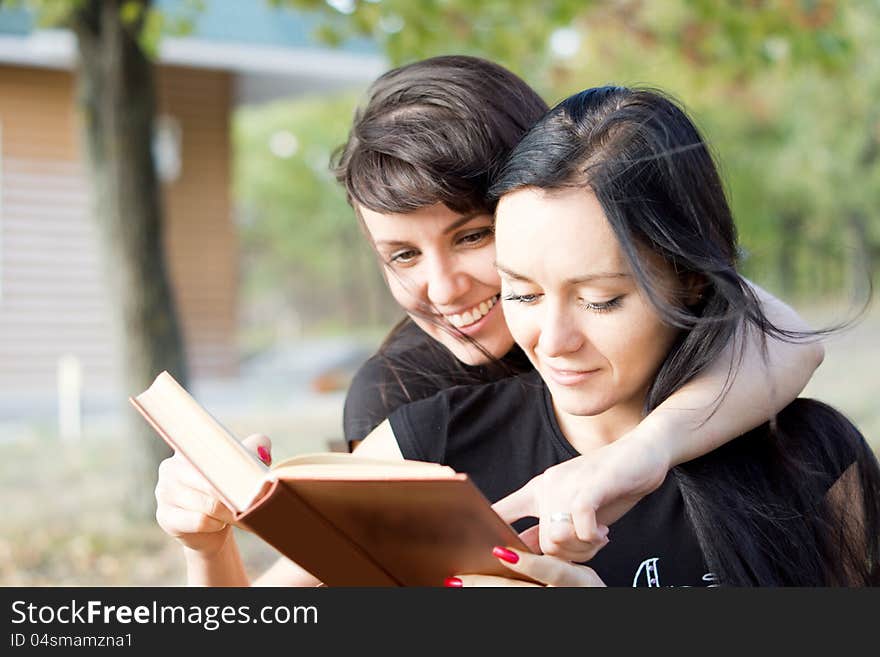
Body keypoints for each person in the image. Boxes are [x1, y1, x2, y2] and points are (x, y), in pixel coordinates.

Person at [153, 61, 827, 585]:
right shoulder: (407, 404)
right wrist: (205, 543)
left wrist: (636, 454)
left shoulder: (785, 435)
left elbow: (779, 335)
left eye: (472, 236)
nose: (444, 289)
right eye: (403, 255)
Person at [434, 85, 880, 586]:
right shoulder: (433, 447)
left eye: (599, 299)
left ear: (691, 280)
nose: (554, 341)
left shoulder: (809, 458)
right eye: (521, 294)